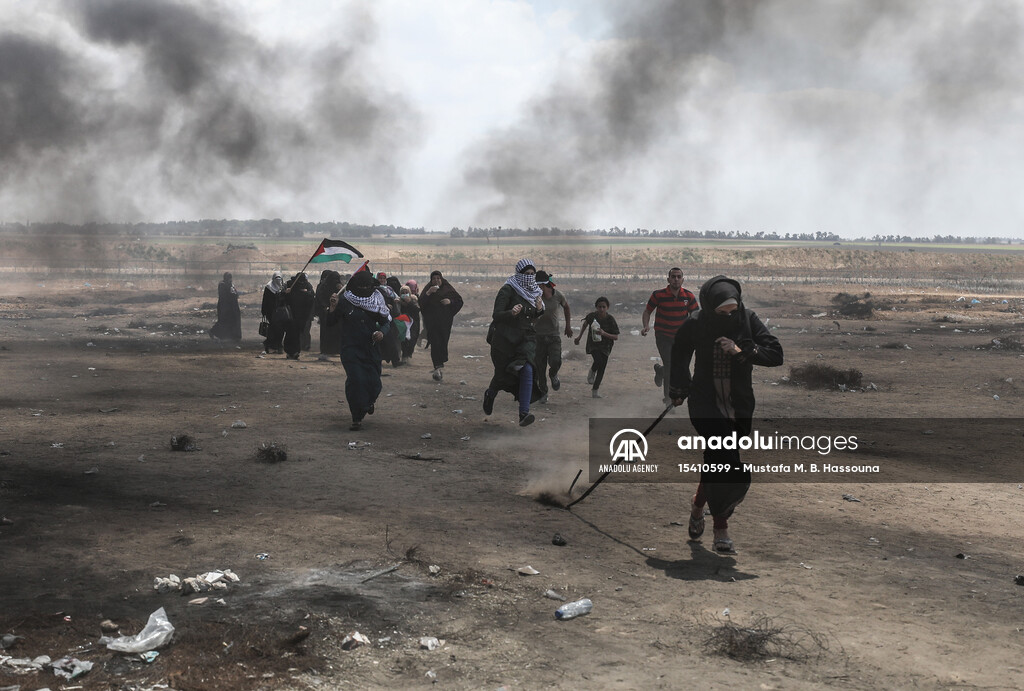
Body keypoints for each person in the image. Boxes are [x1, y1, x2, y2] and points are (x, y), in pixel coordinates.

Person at [669, 275, 784, 554]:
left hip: (739, 404)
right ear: (710, 307)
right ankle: (721, 528)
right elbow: (679, 355)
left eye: (732, 311)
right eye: (722, 312)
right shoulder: (695, 323)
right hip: (705, 402)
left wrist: (742, 350)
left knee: (718, 459)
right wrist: (678, 387)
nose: (729, 316)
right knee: (723, 456)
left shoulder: (748, 319)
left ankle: (698, 507)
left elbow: (776, 354)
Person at [324, 270, 393, 431]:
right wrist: (333, 307)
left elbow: (386, 321)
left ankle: (368, 403)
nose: (363, 288)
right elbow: (331, 322)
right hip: (350, 348)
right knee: (356, 380)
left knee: (374, 382)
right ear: (354, 286)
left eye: (366, 286)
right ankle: (357, 417)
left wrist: (382, 332)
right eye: (360, 285)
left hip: (371, 348)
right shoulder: (345, 301)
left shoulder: (376, 299)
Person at [483, 259, 545, 426]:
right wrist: (511, 312)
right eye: (527, 274)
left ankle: (523, 413)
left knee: (528, 368)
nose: (530, 278)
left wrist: (539, 310)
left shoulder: (535, 292)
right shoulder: (508, 290)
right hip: (504, 340)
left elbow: (533, 315)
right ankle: (490, 394)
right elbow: (496, 315)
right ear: (519, 274)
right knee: (502, 375)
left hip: (525, 339)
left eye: (533, 274)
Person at [642, 268, 698, 403]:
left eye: (679, 277)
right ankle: (668, 398)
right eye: (673, 276)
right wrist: (646, 326)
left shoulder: (688, 296)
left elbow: (696, 316)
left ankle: (661, 371)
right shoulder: (658, 295)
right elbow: (647, 312)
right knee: (670, 365)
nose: (676, 279)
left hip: (682, 338)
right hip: (663, 336)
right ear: (668, 279)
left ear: (683, 280)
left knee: (682, 366)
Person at [533, 271, 572, 404]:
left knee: (556, 361)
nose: (537, 287)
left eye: (540, 285)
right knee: (540, 366)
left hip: (553, 335)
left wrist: (568, 326)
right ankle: (543, 393)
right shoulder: (533, 296)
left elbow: (566, 308)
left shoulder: (557, 295)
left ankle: (553, 374)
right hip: (538, 336)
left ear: (545, 285)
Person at [419, 270, 464, 381]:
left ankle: (440, 364)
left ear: (442, 279)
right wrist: (429, 293)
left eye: (438, 278)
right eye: (434, 279)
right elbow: (421, 303)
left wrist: (450, 301)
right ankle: (437, 367)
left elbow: (459, 301)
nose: (436, 280)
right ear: (431, 280)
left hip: (444, 323)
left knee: (443, 342)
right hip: (431, 322)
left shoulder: (447, 288)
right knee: (435, 343)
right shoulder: (428, 289)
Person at [573, 296, 620, 398]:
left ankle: (595, 390)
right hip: (593, 344)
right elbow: (585, 324)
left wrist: (604, 333)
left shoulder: (610, 319)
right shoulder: (592, 316)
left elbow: (616, 337)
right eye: (599, 307)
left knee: (602, 368)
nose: (601, 309)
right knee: (598, 361)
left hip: (606, 346)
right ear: (596, 307)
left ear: (607, 307)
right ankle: (592, 371)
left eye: (604, 307)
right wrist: (579, 337)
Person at [282, 273, 315, 360]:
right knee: (290, 334)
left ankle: (296, 352)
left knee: (297, 334)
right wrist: (286, 293)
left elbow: (312, 297)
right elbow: (283, 299)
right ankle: (290, 352)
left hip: (301, 316)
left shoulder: (307, 285)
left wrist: (307, 293)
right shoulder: (290, 284)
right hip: (291, 315)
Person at [314, 269, 343, 360]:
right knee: (325, 332)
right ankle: (325, 350)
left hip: (336, 314)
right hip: (325, 313)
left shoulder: (340, 288)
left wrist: (340, 289)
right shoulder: (323, 287)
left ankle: (335, 349)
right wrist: (326, 307)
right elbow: (320, 298)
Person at [210, 271, 241, 341]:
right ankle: (212, 332)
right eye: (229, 278)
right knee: (223, 321)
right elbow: (224, 296)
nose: (230, 279)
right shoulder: (222, 284)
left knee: (232, 321)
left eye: (230, 278)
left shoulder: (231, 285)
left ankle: (233, 336)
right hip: (223, 306)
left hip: (231, 307)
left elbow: (234, 293)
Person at [261, 270, 286, 354]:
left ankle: (277, 345)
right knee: (273, 329)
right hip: (271, 312)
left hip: (281, 312)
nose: (278, 281)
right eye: (276, 279)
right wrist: (264, 311)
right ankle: (271, 345)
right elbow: (265, 300)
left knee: (280, 330)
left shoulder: (283, 287)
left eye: (279, 279)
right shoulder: (269, 287)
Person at [398, 285, 421, 361]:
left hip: (413, 324)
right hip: (403, 324)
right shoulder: (398, 302)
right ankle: (404, 356)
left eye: (406, 292)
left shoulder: (414, 300)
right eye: (403, 293)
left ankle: (409, 353)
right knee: (404, 340)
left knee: (412, 339)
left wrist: (409, 302)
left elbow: (417, 310)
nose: (405, 294)